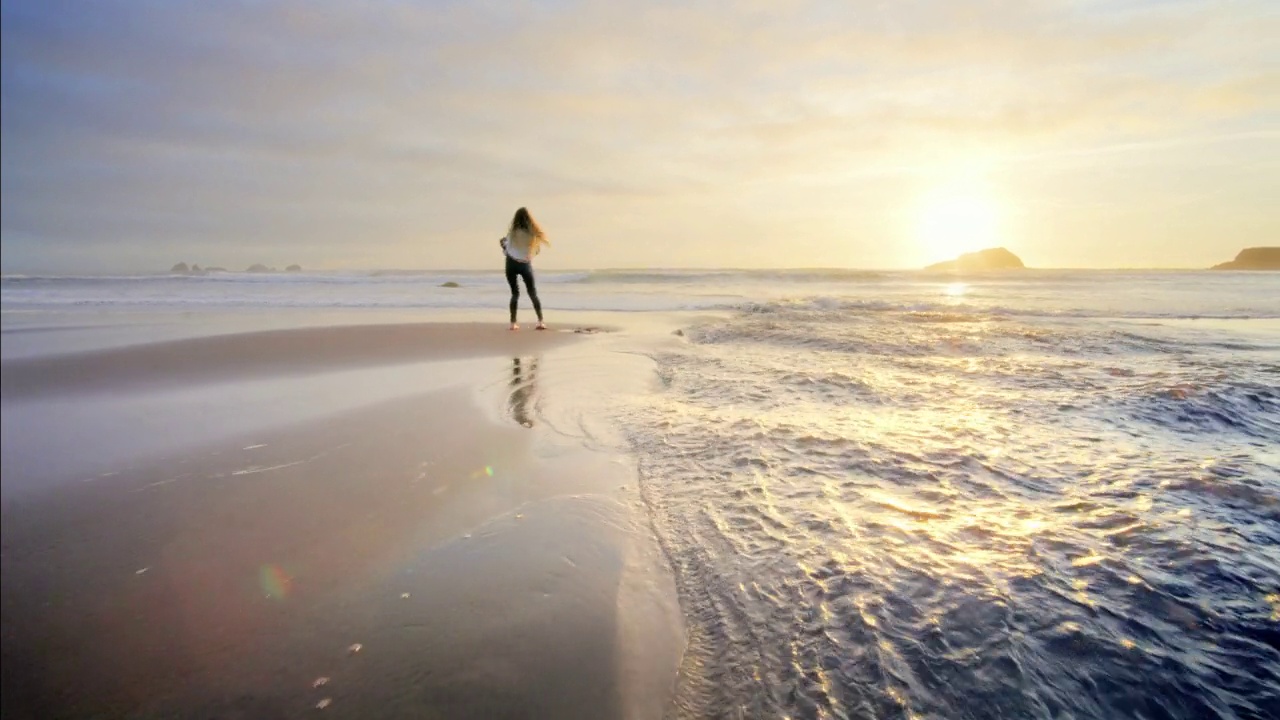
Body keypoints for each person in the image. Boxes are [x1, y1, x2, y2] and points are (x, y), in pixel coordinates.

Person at [498, 207, 549, 330]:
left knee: (515, 294)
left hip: (511, 264)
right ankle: (540, 321)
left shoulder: (512, 233)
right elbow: (536, 251)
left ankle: (513, 323)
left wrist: (503, 244)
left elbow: (506, 249)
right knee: (532, 293)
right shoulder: (532, 234)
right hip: (525, 264)